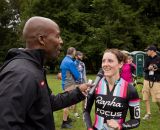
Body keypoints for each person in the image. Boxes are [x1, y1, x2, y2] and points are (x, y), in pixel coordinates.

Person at [0, 16, 91, 130]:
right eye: (57, 36)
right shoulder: (22, 73)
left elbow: (48, 102)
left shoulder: (35, 68)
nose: (61, 41)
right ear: (41, 39)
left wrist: (78, 92)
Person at [83, 49, 140, 130]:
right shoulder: (95, 85)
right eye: (103, 61)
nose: (105, 64)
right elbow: (86, 111)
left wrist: (120, 126)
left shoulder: (130, 89)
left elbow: (136, 120)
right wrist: (89, 128)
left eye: (110, 61)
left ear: (120, 64)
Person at [60, 47, 80, 128]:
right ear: (73, 52)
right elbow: (77, 75)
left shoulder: (65, 60)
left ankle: (67, 119)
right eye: (75, 52)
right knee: (67, 103)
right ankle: (64, 123)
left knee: (68, 101)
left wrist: (76, 61)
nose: (75, 53)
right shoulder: (70, 62)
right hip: (69, 84)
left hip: (65, 83)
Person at [142, 45, 160, 120]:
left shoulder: (159, 58)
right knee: (145, 97)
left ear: (152, 51)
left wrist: (156, 69)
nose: (147, 52)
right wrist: (148, 68)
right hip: (147, 80)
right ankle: (148, 113)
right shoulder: (147, 59)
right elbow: (144, 69)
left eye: (148, 50)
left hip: (156, 81)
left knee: (158, 98)